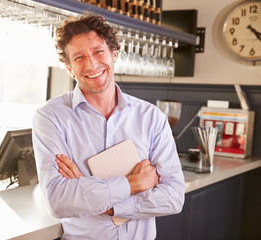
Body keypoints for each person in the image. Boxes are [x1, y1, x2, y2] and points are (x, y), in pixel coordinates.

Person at [32, 13, 185, 240]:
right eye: (79, 57)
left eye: (98, 52)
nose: (91, 64)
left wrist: (103, 203)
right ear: (68, 68)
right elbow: (58, 201)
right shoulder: (50, 117)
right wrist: (135, 183)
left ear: (114, 54)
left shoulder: (151, 117)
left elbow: (173, 197)